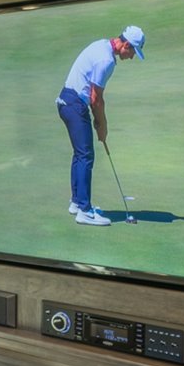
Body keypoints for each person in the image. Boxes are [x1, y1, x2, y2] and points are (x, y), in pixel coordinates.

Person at [57, 26, 145, 225]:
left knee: (80, 154)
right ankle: (85, 212)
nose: (132, 57)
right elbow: (96, 99)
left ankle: (77, 202)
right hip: (74, 104)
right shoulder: (107, 61)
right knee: (86, 156)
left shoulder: (101, 45)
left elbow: (93, 97)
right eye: (133, 52)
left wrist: (98, 121)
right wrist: (103, 125)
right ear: (126, 45)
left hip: (66, 100)